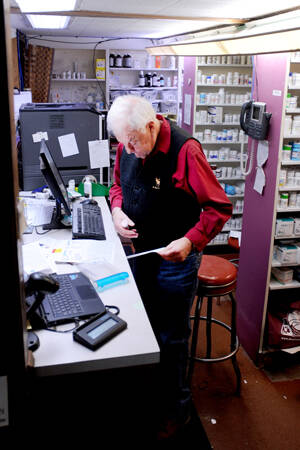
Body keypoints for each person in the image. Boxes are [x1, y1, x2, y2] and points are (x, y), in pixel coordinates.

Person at [107, 95, 232, 439]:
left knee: (171, 336)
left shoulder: (185, 151)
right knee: (142, 325)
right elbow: (117, 186)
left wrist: (190, 241)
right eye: (123, 144)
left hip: (176, 258)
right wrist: (117, 211)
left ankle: (178, 410)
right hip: (141, 250)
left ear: (150, 126)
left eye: (133, 143)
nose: (129, 151)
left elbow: (218, 208)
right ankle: (149, 393)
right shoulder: (127, 144)